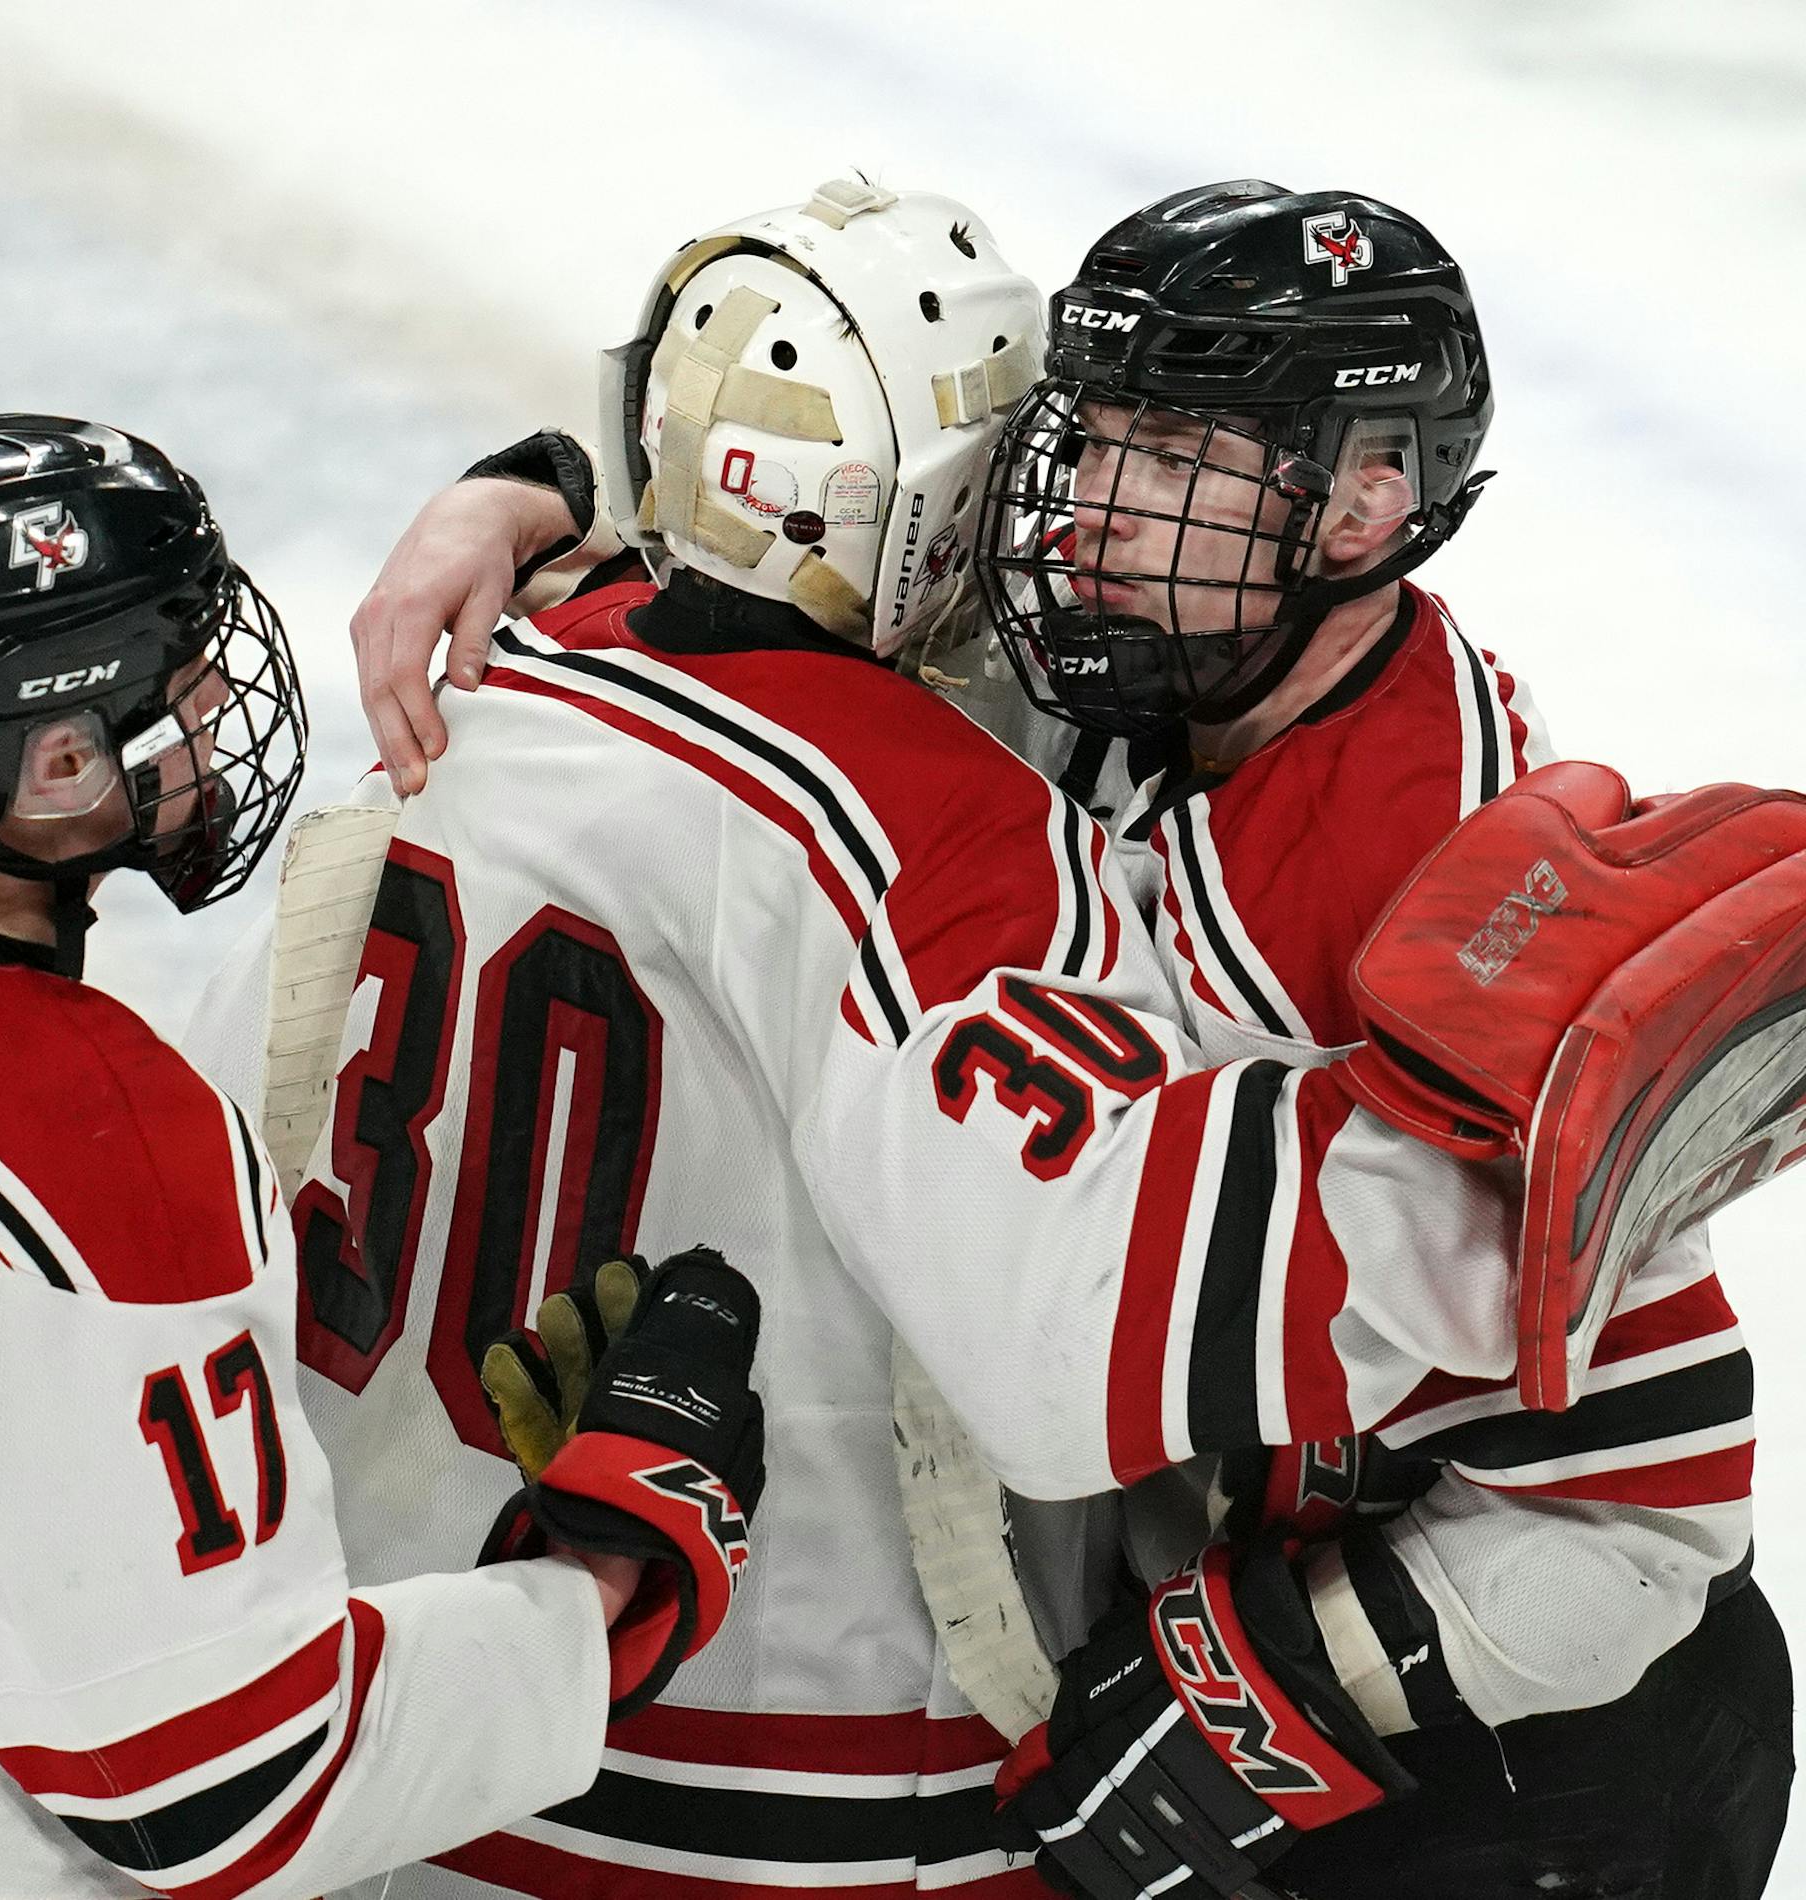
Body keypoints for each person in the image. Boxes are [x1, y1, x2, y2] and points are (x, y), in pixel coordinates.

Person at [193, 179, 1806, 1900]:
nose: (1092, 506)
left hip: (1517, 1761)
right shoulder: (1138, 666)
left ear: (1367, 506)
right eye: (1086, 434)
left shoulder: (1436, 881)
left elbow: (1643, 1501)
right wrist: (550, 492)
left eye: (1174, 458)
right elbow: (797, 438)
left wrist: (1258, 1687)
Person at [0, 415, 765, 1900]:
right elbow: (211, 1786)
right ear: (50, 766)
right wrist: (606, 1588)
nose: (225, 701)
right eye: (176, 691)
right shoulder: (110, 1159)